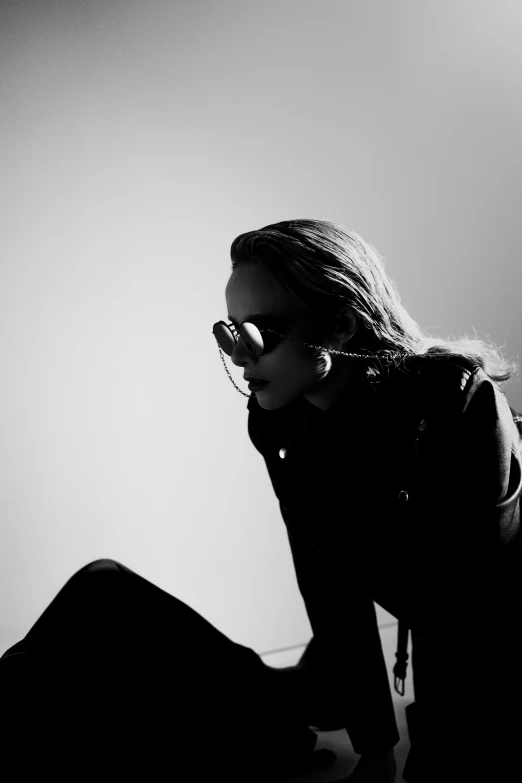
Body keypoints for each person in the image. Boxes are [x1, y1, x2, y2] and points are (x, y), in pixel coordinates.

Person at [2, 219, 521, 783]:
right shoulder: (285, 424)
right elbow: (326, 584)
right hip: (349, 665)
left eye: (263, 332)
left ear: (342, 325)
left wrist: (410, 752)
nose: (241, 356)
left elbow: (464, 612)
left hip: (492, 656)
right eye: (232, 331)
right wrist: (374, 743)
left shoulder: (458, 406)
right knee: (99, 592)